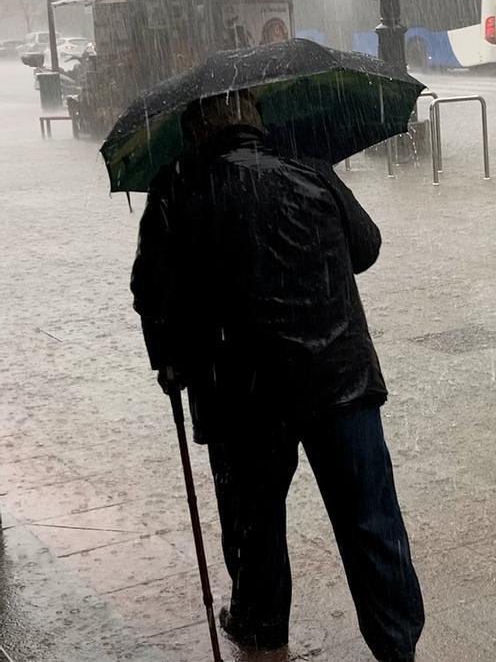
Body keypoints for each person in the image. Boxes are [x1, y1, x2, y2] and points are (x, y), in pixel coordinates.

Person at [130, 91, 424, 661]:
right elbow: (366, 248)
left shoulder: (178, 184)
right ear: (256, 118)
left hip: (239, 388)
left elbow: (151, 292)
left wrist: (169, 360)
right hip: (339, 379)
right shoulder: (305, 164)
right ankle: (397, 643)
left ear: (195, 129)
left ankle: (261, 628)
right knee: (370, 519)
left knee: (254, 521)